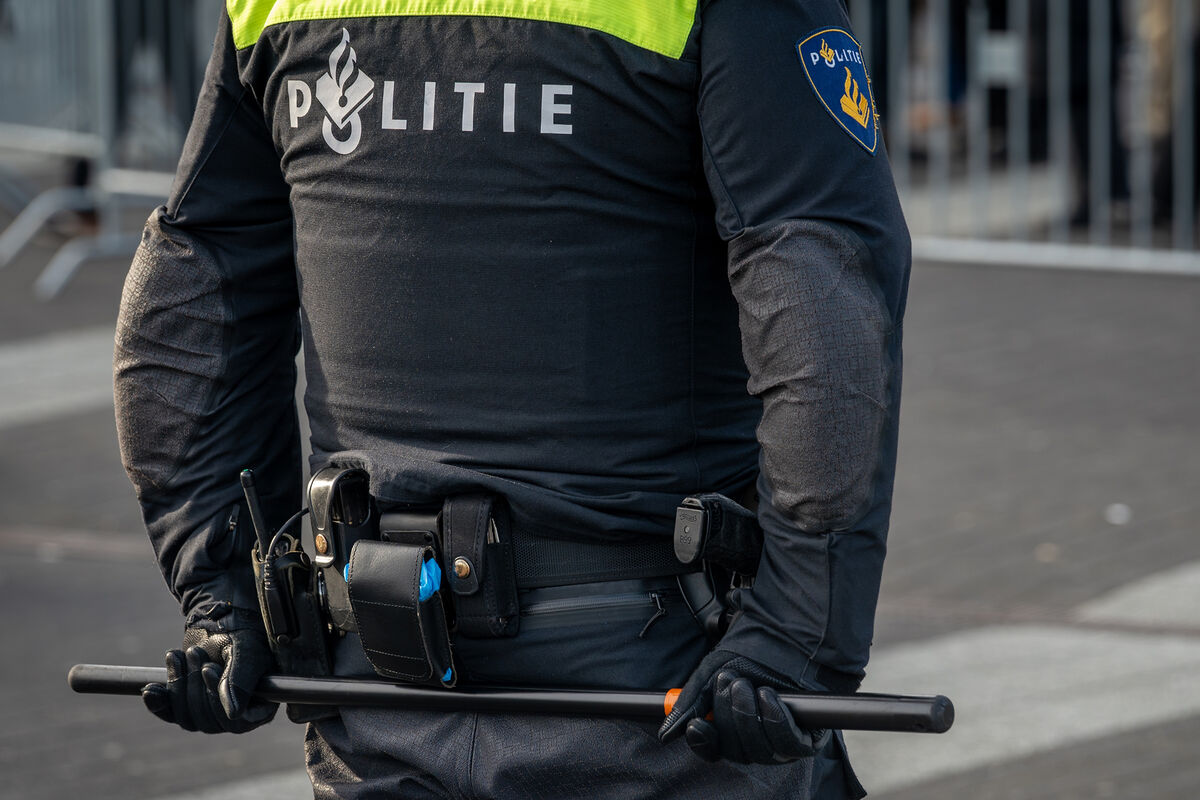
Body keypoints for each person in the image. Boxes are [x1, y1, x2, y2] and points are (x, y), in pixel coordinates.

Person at [114, 0, 910, 797]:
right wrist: (797, 636)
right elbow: (823, 299)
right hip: (651, 697)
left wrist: (224, 592)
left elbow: (196, 284)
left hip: (385, 687)